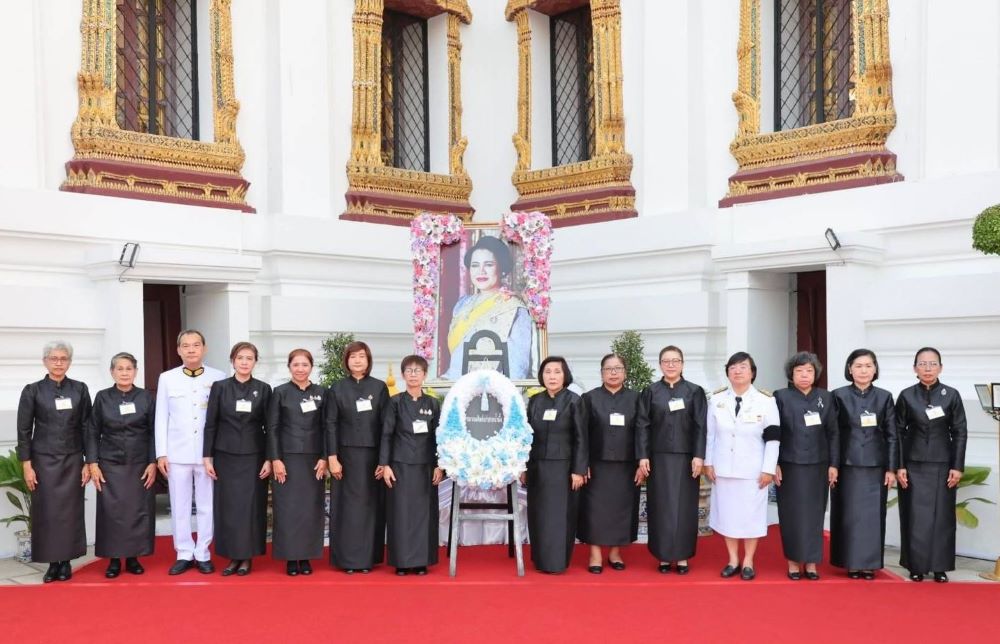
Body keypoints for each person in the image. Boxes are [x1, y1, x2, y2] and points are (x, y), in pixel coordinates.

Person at [16, 340, 91, 583]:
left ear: (69, 362)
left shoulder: (80, 389)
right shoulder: (33, 390)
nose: (59, 363)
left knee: (69, 512)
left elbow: (87, 427)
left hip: (72, 459)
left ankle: (66, 561)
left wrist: (88, 461)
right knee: (48, 512)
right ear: (45, 361)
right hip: (43, 461)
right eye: (54, 358)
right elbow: (24, 430)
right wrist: (26, 464)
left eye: (63, 358)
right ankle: (52, 563)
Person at [704, 351, 780, 581]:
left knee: (750, 516)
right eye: (733, 367)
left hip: (753, 471)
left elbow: (774, 438)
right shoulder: (716, 399)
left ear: (752, 372)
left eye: (743, 367)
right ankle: (732, 559)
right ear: (727, 372)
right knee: (727, 515)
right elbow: (710, 435)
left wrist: (768, 468)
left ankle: (748, 561)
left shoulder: (766, 401)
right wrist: (708, 462)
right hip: (723, 468)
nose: (737, 371)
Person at [155, 329, 225, 575]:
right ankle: (184, 552)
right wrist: (161, 453)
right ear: (178, 350)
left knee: (207, 504)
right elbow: (161, 416)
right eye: (186, 346)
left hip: (207, 454)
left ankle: (203, 552)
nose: (191, 349)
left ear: (204, 348)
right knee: (180, 504)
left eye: (196, 345)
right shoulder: (167, 378)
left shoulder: (219, 377)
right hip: (177, 452)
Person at [895, 347, 968, 583]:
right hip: (913, 464)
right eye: (923, 364)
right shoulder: (906, 396)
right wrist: (899, 465)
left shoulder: (951, 395)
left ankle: (940, 566)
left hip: (943, 465)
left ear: (941, 367)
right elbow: (897, 432)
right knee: (915, 516)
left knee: (942, 518)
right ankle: (915, 565)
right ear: (915, 368)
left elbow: (960, 432)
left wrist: (957, 466)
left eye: (933, 363)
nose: (928, 368)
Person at [636, 346, 707, 575]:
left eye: (676, 360)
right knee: (661, 506)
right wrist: (643, 456)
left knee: (684, 508)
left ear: (683, 364)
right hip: (658, 458)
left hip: (687, 459)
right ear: (660, 365)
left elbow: (700, 426)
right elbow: (643, 425)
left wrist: (699, 456)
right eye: (666, 361)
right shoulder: (651, 391)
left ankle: (683, 556)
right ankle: (664, 556)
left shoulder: (694, 392)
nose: (671, 365)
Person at [203, 341, 272, 576]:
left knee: (250, 507)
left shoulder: (263, 389)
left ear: (255, 362)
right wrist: (207, 456)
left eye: (249, 358)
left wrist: (270, 458)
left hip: (254, 456)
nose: (244, 362)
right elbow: (210, 423)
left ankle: (247, 557)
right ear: (232, 360)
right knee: (229, 507)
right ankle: (232, 556)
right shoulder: (220, 387)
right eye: (240, 358)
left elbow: (270, 427)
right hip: (225, 456)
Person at [86, 352, 157, 579]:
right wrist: (93, 463)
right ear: (112, 372)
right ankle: (114, 560)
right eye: (120, 369)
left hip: (139, 464)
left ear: (135, 372)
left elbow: (155, 432)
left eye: (129, 369)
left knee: (137, 511)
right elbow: (92, 431)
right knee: (112, 513)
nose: (124, 373)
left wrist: (152, 461)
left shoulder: (146, 397)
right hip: (110, 464)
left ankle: (134, 557)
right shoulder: (102, 397)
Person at [830, 349, 898, 580]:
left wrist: (891, 468)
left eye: (868, 365)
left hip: (875, 466)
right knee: (848, 514)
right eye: (858, 366)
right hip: (846, 465)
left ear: (875, 369)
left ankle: (868, 564)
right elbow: (834, 433)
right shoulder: (838, 395)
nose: (863, 370)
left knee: (872, 516)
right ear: (850, 369)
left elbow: (892, 435)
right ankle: (850, 562)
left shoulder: (885, 397)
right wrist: (833, 464)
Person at [325, 340, 390, 573]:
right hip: (345, 458)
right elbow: (330, 424)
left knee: (369, 507)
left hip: (372, 458)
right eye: (353, 356)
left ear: (368, 360)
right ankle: (347, 561)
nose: (357, 360)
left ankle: (367, 559)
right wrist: (332, 456)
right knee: (348, 508)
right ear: (346, 361)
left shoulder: (379, 388)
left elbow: (386, 427)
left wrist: (384, 460)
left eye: (362, 356)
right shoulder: (337, 388)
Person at [773, 352, 839, 580]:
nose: (804, 375)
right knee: (791, 514)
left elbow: (833, 433)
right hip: (789, 465)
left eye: (809, 371)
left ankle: (811, 562)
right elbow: (774, 433)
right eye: (799, 371)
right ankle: (793, 561)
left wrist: (834, 464)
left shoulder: (826, 397)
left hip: (818, 465)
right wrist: (775, 464)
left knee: (814, 514)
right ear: (791, 374)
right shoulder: (780, 397)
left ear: (816, 374)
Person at [523, 356, 588, 574]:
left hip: (564, 469)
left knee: (560, 516)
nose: (552, 376)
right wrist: (523, 466)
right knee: (539, 514)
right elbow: (526, 437)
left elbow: (582, 438)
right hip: (538, 467)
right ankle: (540, 559)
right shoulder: (535, 401)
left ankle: (558, 561)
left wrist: (579, 470)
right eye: (547, 372)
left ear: (565, 375)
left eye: (557, 372)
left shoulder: (574, 401)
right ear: (542, 376)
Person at [380, 355, 444, 576]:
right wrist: (384, 464)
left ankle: (421, 560)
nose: (413, 374)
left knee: (424, 514)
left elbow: (440, 437)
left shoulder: (433, 404)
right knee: (401, 513)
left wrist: (439, 465)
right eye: (409, 370)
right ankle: (401, 560)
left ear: (425, 375)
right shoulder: (395, 402)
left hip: (426, 466)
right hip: (400, 465)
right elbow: (386, 434)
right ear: (403, 374)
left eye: (418, 370)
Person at [267, 348, 328, 576]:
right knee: (288, 509)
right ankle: (291, 557)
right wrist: (276, 459)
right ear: (289, 367)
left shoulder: (322, 393)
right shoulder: (280, 393)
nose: (300, 369)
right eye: (296, 364)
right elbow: (272, 428)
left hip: (313, 461)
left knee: (310, 508)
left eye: (305, 364)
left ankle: (307, 556)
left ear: (311, 367)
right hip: (287, 460)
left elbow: (327, 428)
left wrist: (324, 457)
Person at [579, 354, 641, 574]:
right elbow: (582, 434)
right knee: (595, 510)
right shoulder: (589, 398)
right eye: (608, 369)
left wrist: (642, 461)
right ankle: (595, 554)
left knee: (621, 510)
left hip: (627, 465)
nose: (613, 373)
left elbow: (642, 431)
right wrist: (581, 463)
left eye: (618, 368)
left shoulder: (636, 398)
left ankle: (615, 552)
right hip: (597, 465)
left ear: (625, 372)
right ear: (601, 372)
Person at [443, 235, 533, 380]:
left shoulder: (514, 307)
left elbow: (518, 366)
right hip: (455, 386)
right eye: (475, 265)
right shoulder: (462, 305)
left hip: (494, 390)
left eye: (489, 264)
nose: (481, 271)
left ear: (501, 268)